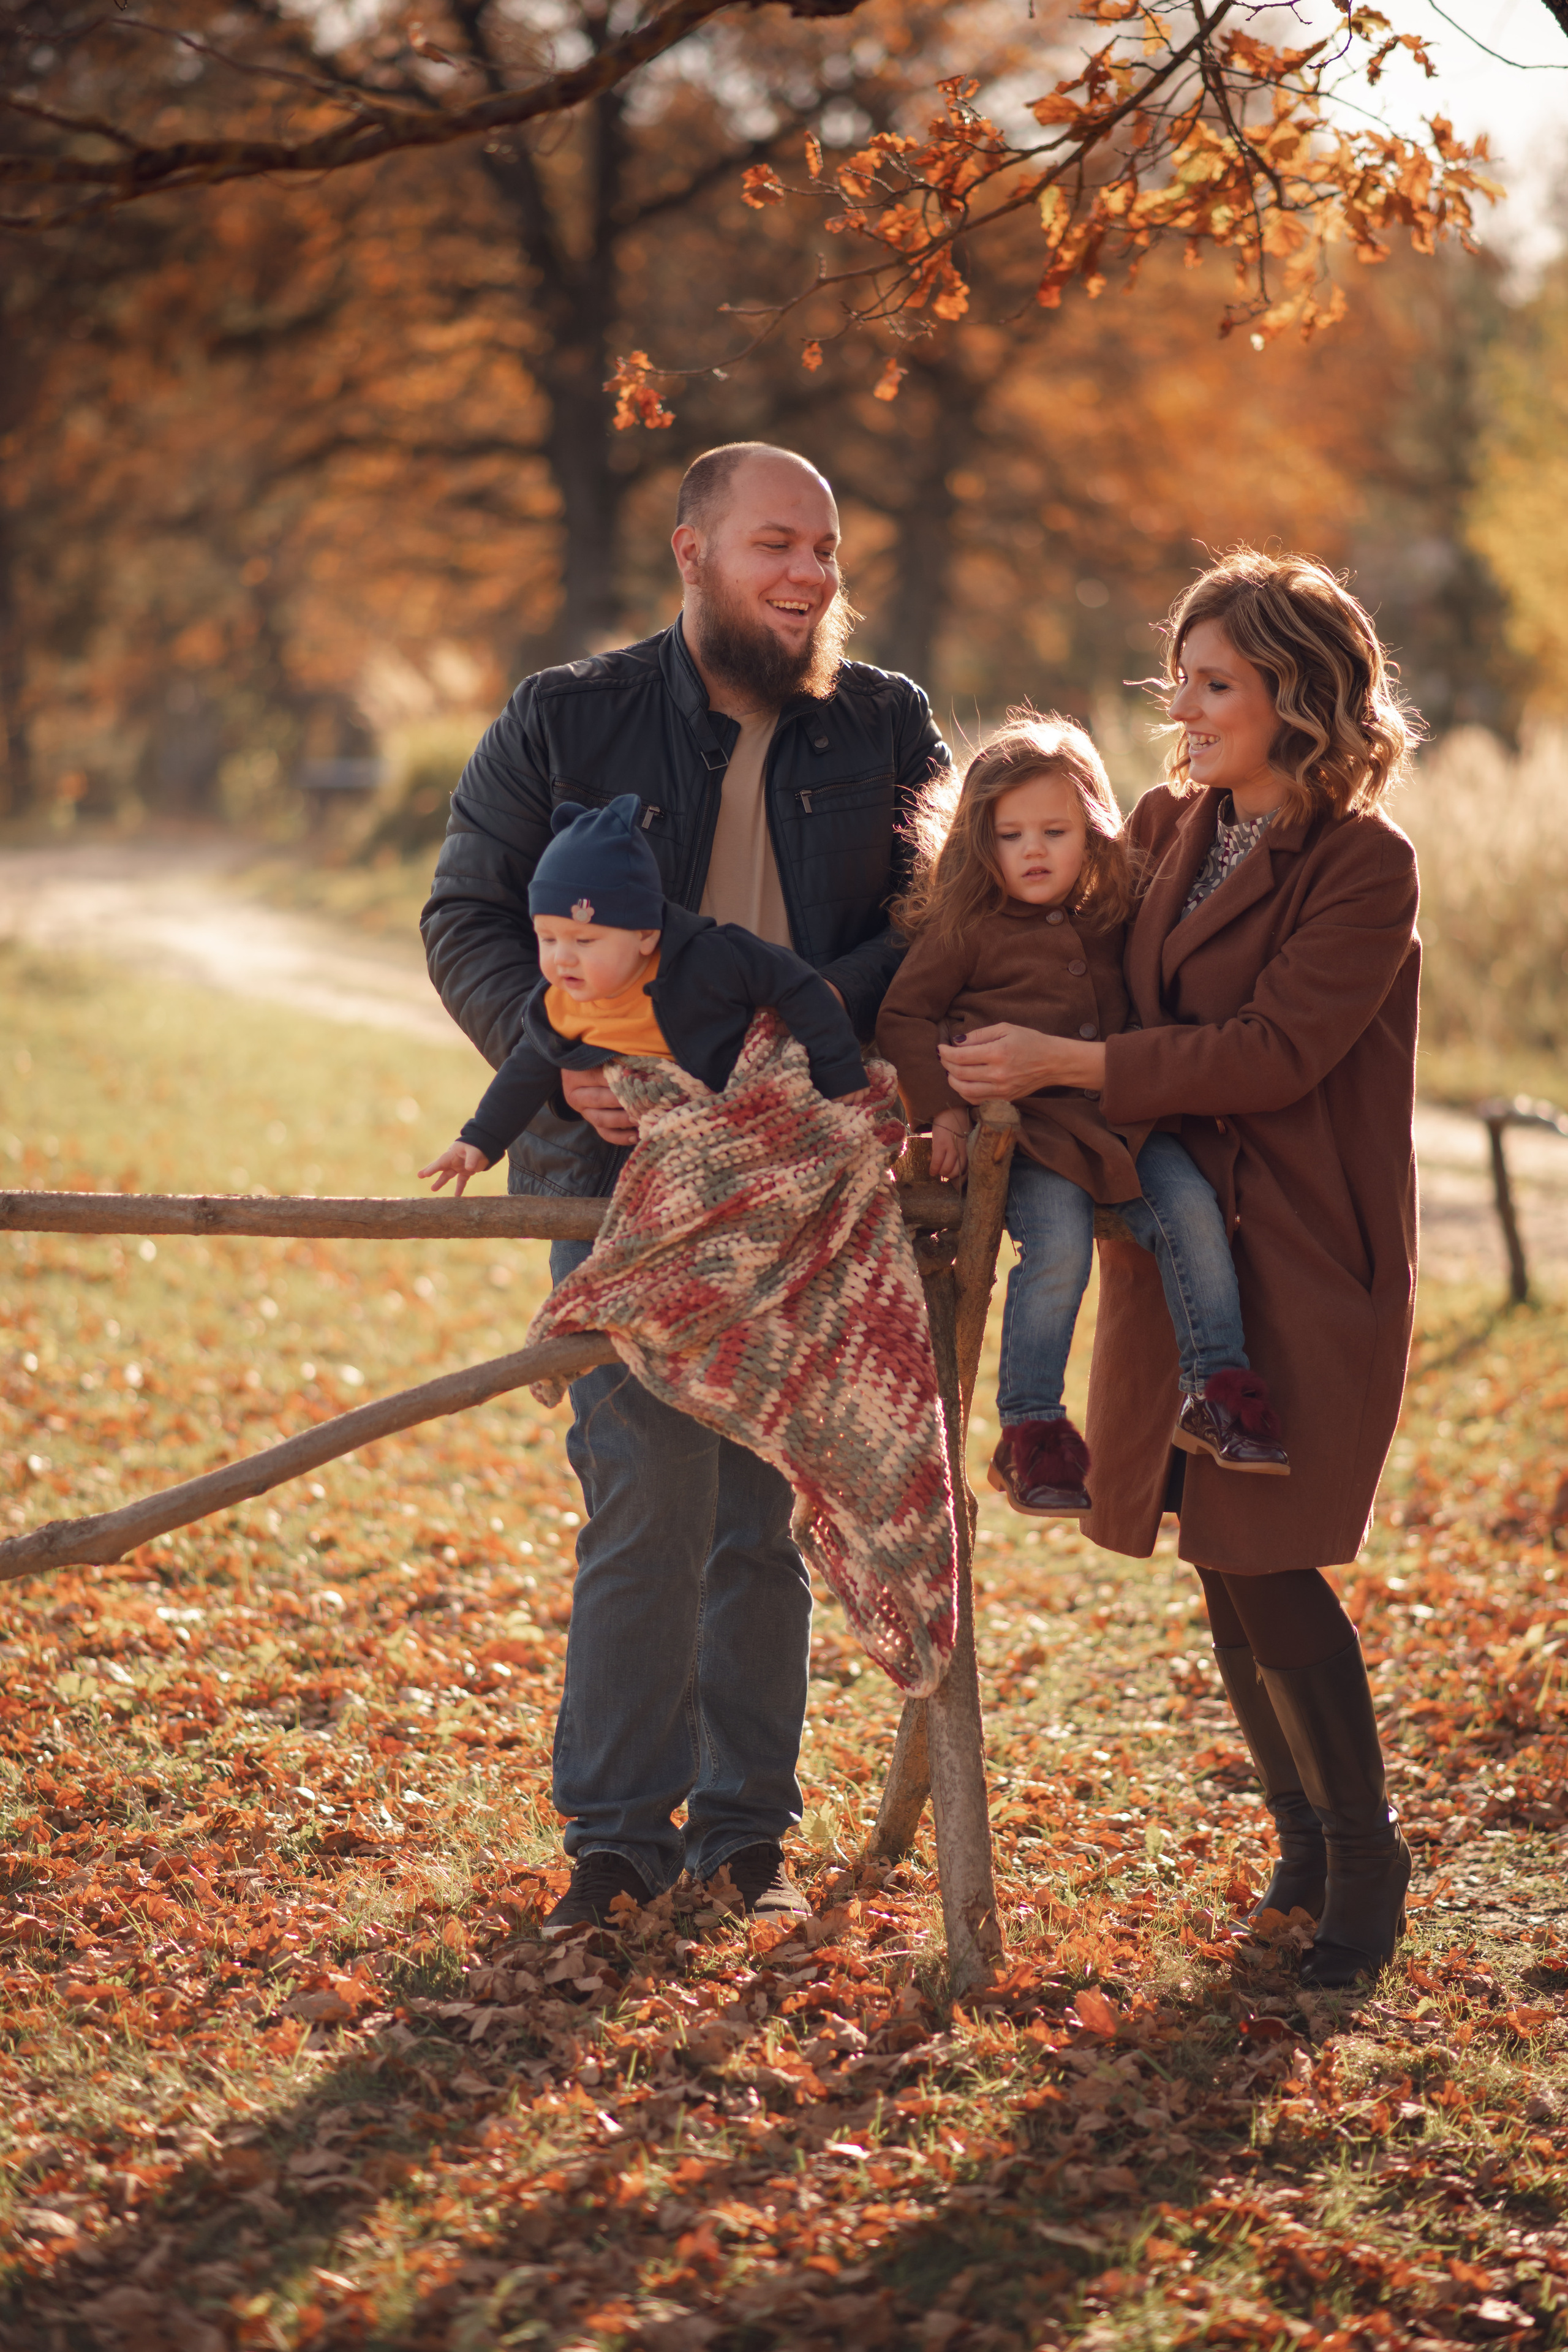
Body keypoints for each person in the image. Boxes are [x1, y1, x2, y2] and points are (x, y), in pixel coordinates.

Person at [421, 443, 948, 1935]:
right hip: (617, 1174)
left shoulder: (885, 723)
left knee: (759, 1508)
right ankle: (611, 1845)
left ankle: (742, 1835)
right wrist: (564, 1059)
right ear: (691, 551)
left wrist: (773, 1046)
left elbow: (932, 924)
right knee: (645, 1498)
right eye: (776, 543)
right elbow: (465, 913)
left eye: (825, 549)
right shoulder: (564, 716)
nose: (809, 574)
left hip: (802, 1181)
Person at [938, 551, 1420, 1989]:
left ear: (1296, 694)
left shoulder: (1363, 865)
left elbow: (1273, 1053)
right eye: (1179, 681)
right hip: (1165, 1236)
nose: (1184, 709)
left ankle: (1366, 1858)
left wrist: (1071, 1065)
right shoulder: (1158, 823)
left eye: (1214, 683)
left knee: (1266, 1551)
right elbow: (1056, 955)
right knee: (1214, 1548)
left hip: (1301, 1246)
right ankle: (1300, 1845)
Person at [876, 714, 1287, 1518]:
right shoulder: (966, 930)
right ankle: (1032, 1434)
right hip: (1028, 1139)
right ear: (980, 843)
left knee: (1193, 1210)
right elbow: (904, 1017)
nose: (1033, 851)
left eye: (1055, 832)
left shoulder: (1114, 917)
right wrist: (946, 1116)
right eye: (1011, 836)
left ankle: (1218, 1387)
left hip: (1123, 1125)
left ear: (1093, 830)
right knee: (1058, 1249)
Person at [418, 793, 869, 1197]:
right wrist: (479, 1141)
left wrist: (838, 1068)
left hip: (750, 1119)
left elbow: (797, 984)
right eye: (548, 939)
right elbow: (525, 1072)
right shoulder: (563, 1002)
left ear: (646, 935)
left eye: (585, 940)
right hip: (661, 1154)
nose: (562, 959)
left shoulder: (713, 958)